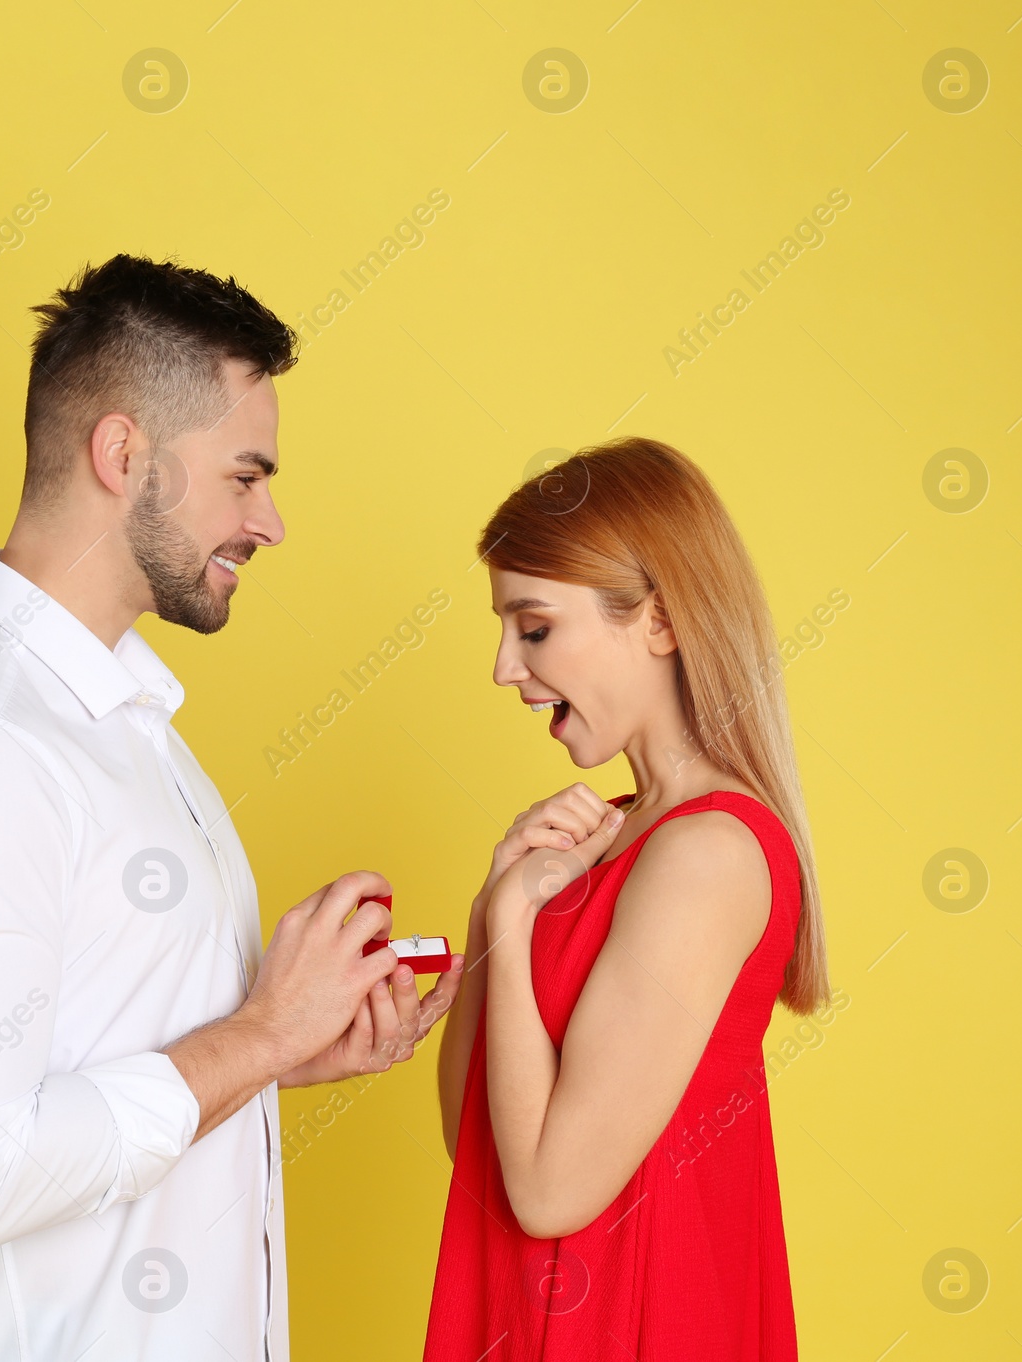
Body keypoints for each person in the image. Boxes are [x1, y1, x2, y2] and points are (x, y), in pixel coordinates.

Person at [0, 253, 464, 1362]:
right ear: (124, 455)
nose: (270, 523)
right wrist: (258, 1031)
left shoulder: (127, 729)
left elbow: (106, 1070)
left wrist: (287, 1044)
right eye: (245, 476)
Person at [425, 438, 830, 1361]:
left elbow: (548, 1192)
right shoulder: (612, 832)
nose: (502, 667)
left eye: (533, 629)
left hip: (632, 1328)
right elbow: (476, 1142)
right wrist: (498, 906)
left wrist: (517, 917)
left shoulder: (708, 855)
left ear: (658, 620)